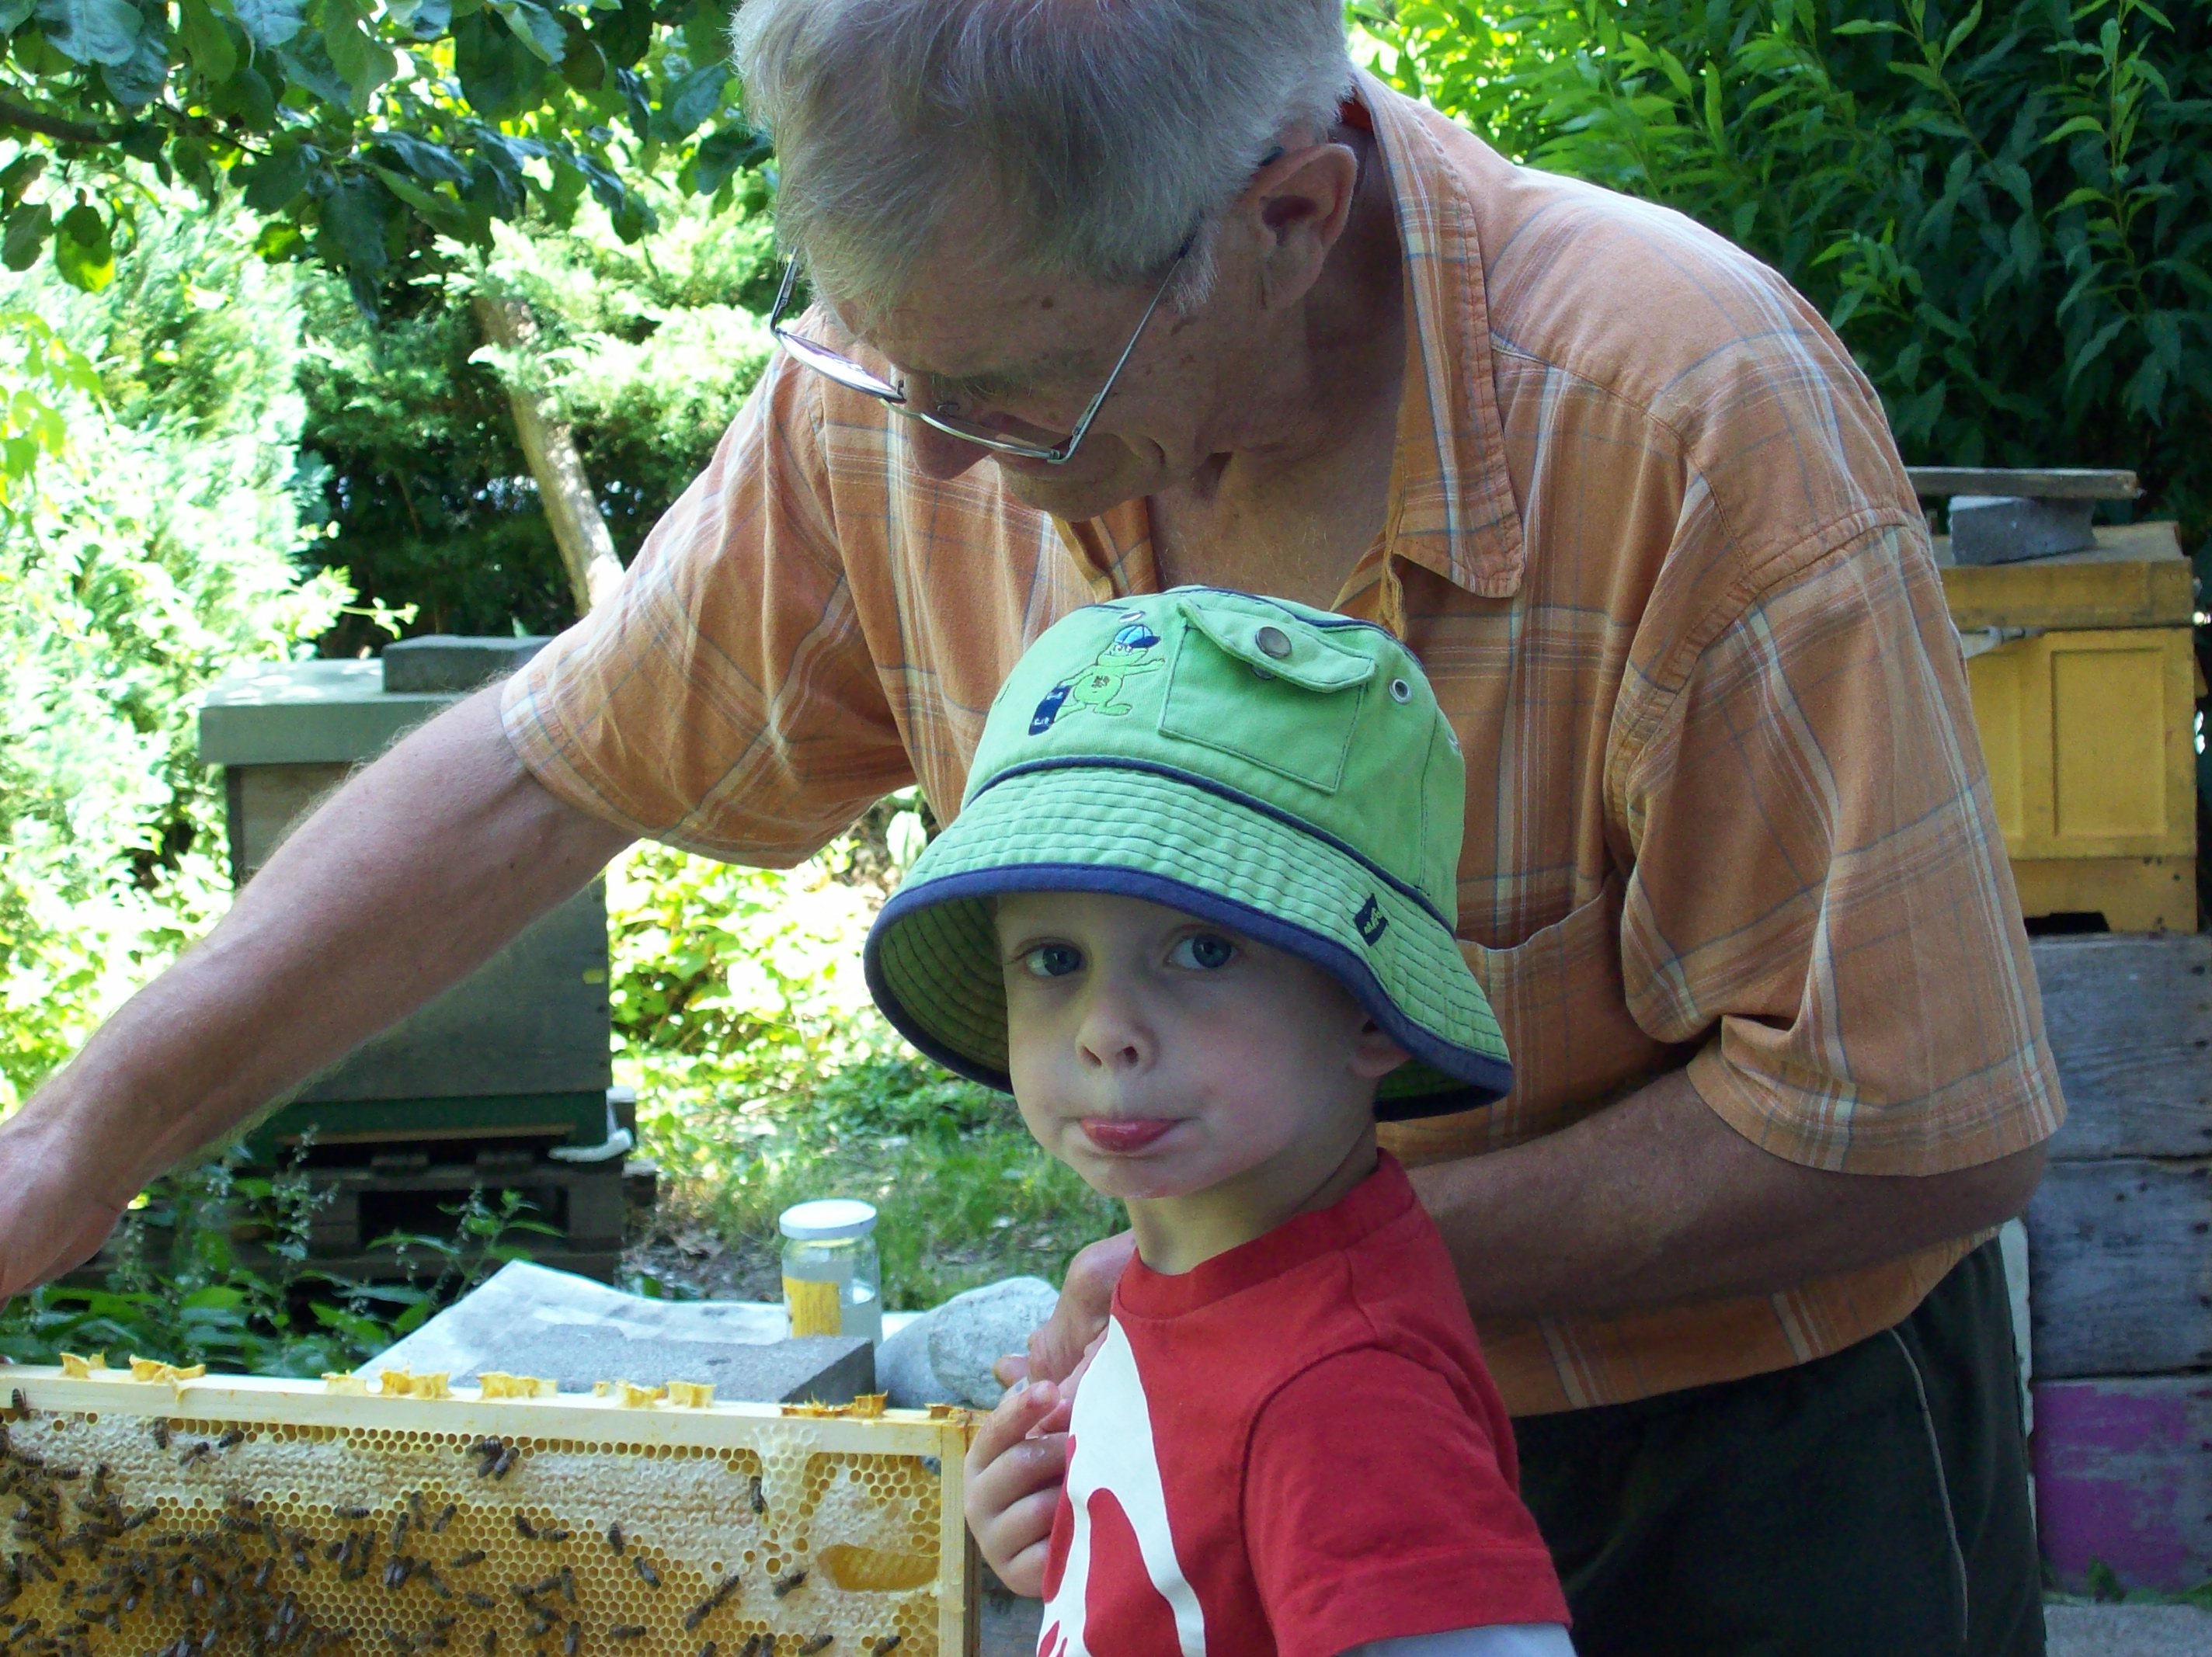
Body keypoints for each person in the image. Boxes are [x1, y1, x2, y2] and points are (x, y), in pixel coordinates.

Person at [0, 3, 2060, 1650]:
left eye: (1009, 394)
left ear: (1286, 217)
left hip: (1724, 1468)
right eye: (886, 366)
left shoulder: (1685, 411)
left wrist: (1275, 1271)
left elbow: (1915, 1116)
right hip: (1223, 1409)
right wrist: (76, 1142)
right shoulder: (910, 381)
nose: (936, 457)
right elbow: (551, 766)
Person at [862, 587, 1572, 1657]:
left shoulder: (1347, 1403)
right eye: (1054, 958)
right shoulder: (1212, 1272)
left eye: (1204, 949)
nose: (1105, 1029)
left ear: (1371, 1008)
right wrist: (1082, 1546)